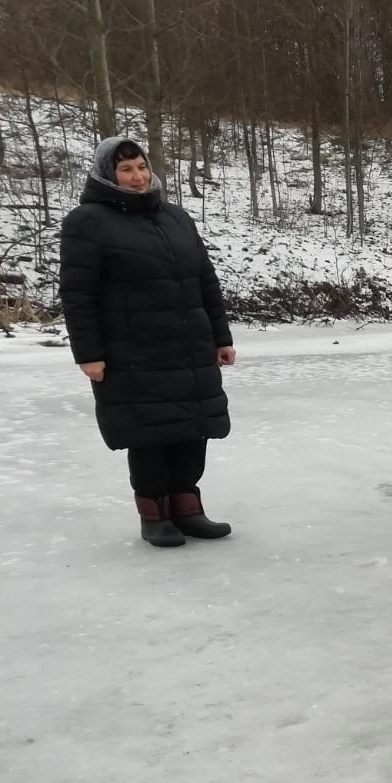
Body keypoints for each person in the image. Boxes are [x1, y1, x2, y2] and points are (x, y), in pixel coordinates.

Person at [59, 137, 236, 548]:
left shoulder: (175, 218)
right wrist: (89, 354)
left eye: (140, 166)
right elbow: (77, 294)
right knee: (149, 434)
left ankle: (188, 510)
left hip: (189, 347)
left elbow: (205, 281)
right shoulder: (87, 222)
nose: (137, 177)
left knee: (194, 429)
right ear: (107, 174)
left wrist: (220, 336)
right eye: (126, 169)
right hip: (131, 353)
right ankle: (155, 514)